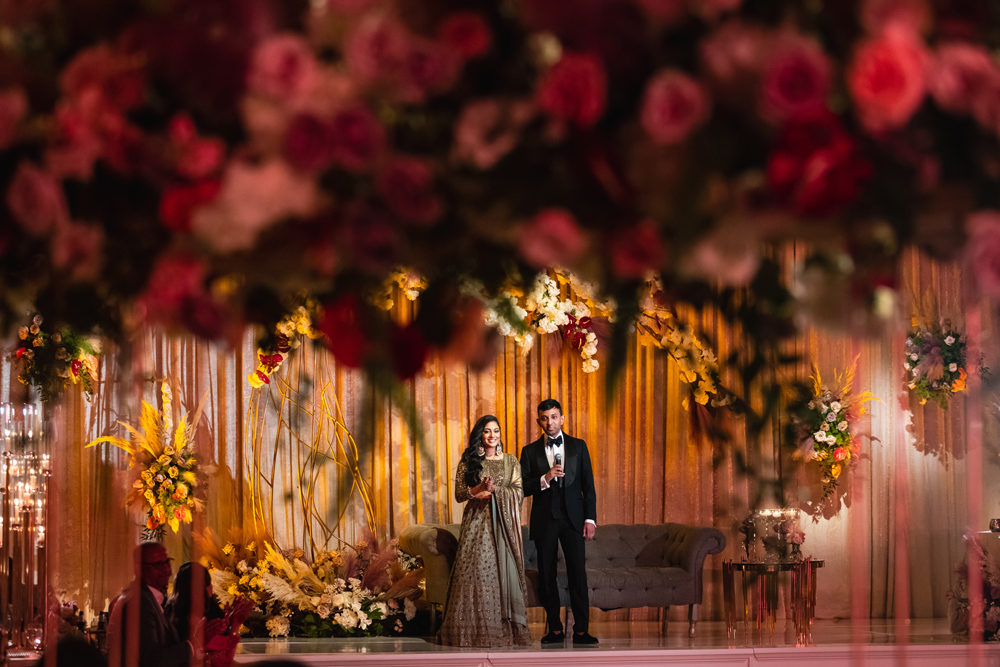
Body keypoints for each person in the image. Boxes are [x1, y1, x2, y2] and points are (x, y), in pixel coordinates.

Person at [437, 415, 531, 647]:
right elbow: (460, 495)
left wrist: (496, 489)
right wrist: (478, 488)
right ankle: (469, 632)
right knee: (475, 572)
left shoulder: (511, 462)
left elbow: (518, 491)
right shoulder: (469, 461)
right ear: (480, 435)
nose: (492, 436)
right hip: (477, 525)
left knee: (502, 573)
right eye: (487, 431)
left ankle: (505, 631)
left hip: (504, 527)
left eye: (496, 431)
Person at [520, 398, 599, 646]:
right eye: (544, 418)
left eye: (554, 417)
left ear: (562, 419)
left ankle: (582, 631)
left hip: (574, 520)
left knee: (578, 573)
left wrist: (590, 519)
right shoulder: (529, 451)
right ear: (538, 421)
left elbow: (589, 485)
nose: (549, 422)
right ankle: (554, 628)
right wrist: (545, 477)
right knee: (546, 576)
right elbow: (521, 487)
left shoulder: (578, 446)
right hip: (545, 520)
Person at [107, 542, 213, 667]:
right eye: (157, 564)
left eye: (167, 562)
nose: (166, 569)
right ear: (139, 569)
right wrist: (194, 644)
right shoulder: (139, 602)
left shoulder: (148, 598)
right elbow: (151, 660)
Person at [165, 562, 253, 667]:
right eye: (208, 583)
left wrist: (231, 624)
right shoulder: (193, 623)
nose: (211, 586)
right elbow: (225, 660)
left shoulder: (174, 614)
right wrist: (235, 625)